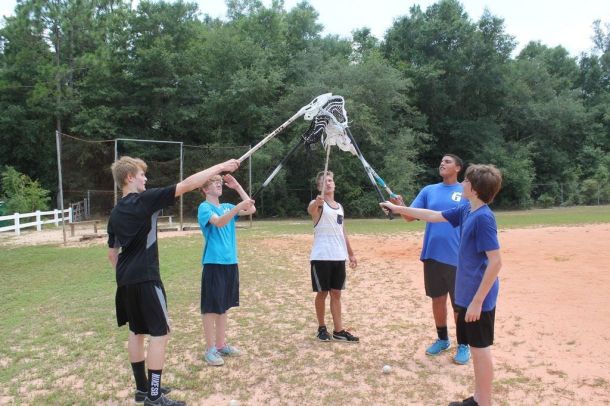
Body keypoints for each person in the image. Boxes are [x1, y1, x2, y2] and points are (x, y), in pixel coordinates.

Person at [107, 156, 240, 406]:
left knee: (136, 331)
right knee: (160, 333)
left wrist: (128, 274)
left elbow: (112, 254)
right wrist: (221, 167)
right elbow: (189, 184)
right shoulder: (144, 200)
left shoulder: (114, 213)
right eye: (142, 175)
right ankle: (154, 396)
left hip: (124, 280)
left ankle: (142, 389)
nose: (146, 179)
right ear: (129, 178)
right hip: (146, 278)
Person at [380, 164, 503, 406]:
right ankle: (478, 398)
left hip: (479, 297)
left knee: (480, 349)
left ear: (475, 189)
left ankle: (484, 402)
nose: (462, 184)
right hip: (468, 292)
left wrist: (477, 301)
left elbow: (496, 262)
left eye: (466, 181)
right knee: (476, 348)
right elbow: (433, 216)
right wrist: (398, 208)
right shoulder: (467, 209)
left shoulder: (484, 218)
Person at [392, 154, 471, 364]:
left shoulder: (465, 191)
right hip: (432, 254)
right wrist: (400, 205)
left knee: (458, 304)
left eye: (448, 161)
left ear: (458, 168)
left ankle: (463, 344)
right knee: (437, 299)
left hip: (457, 257)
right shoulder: (429, 190)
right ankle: (443, 339)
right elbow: (409, 217)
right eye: (441, 161)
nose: (442, 163)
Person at [197, 174, 255, 366]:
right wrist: (237, 207)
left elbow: (251, 208)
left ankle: (221, 345)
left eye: (220, 182)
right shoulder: (205, 207)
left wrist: (237, 186)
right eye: (214, 182)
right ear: (205, 189)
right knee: (211, 308)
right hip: (214, 263)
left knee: (223, 307)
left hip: (230, 262)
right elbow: (220, 222)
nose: (219, 184)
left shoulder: (228, 206)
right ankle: (210, 350)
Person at [307, 170, 358, 342]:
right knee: (322, 293)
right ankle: (322, 328)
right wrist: (316, 202)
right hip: (321, 256)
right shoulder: (318, 205)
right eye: (324, 182)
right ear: (319, 187)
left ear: (334, 184)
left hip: (338, 256)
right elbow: (311, 209)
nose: (328, 183)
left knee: (336, 293)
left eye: (330, 180)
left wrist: (351, 254)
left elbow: (342, 232)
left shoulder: (340, 207)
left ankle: (339, 330)